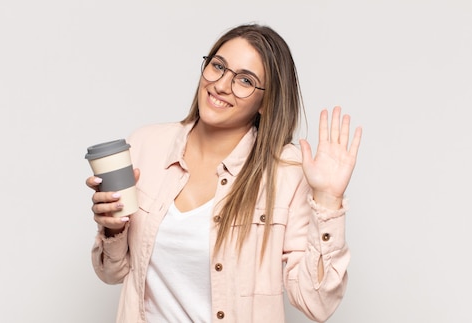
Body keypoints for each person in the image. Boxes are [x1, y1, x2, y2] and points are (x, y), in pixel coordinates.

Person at [86, 24, 362, 323]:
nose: (221, 85)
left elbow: (316, 304)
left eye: (245, 80)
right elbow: (111, 272)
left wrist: (328, 199)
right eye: (218, 66)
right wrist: (112, 228)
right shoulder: (145, 144)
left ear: (266, 102)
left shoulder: (287, 171)